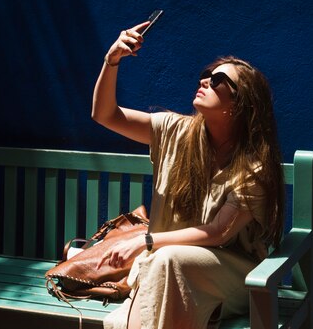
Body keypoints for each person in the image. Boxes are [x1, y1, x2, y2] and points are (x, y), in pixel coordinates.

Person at [91, 20, 285, 329]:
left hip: (234, 276)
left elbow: (218, 232)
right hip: (166, 267)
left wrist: (147, 240)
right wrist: (111, 60)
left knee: (167, 262)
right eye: (206, 75)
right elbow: (105, 115)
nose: (206, 80)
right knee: (163, 266)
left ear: (240, 104)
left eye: (219, 79)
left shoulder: (253, 166)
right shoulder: (175, 131)